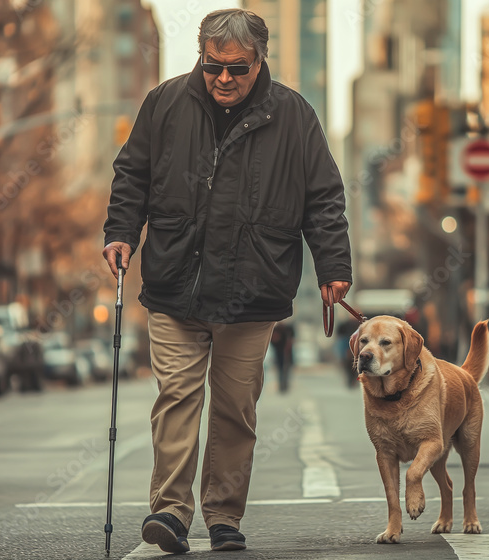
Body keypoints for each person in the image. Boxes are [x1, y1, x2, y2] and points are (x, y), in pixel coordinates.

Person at [101, 9, 352, 554]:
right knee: (176, 395)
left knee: (236, 407)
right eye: (213, 67)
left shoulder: (294, 114)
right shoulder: (165, 102)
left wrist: (333, 268)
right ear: (201, 56)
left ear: (259, 60)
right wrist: (121, 232)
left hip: (252, 288)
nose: (224, 79)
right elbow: (133, 174)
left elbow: (324, 198)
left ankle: (223, 515)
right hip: (174, 282)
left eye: (237, 69)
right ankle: (169, 511)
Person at [269, 321, 295, 393]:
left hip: (288, 353)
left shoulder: (288, 328)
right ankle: (281, 386)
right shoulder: (276, 329)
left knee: (287, 370)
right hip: (279, 353)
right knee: (280, 370)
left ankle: (285, 385)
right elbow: (272, 341)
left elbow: (292, 339)